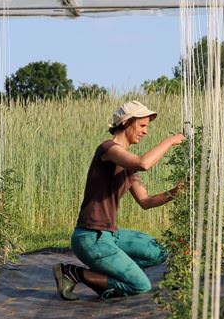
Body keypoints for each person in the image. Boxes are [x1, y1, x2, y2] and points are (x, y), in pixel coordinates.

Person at [53, 100, 186, 300]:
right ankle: (73, 273)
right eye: (142, 126)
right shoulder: (108, 149)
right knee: (140, 285)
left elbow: (145, 201)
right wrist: (170, 141)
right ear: (126, 123)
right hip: (91, 237)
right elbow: (144, 163)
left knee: (159, 252)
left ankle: (110, 271)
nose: (145, 132)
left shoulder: (127, 165)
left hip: (111, 235)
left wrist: (174, 192)